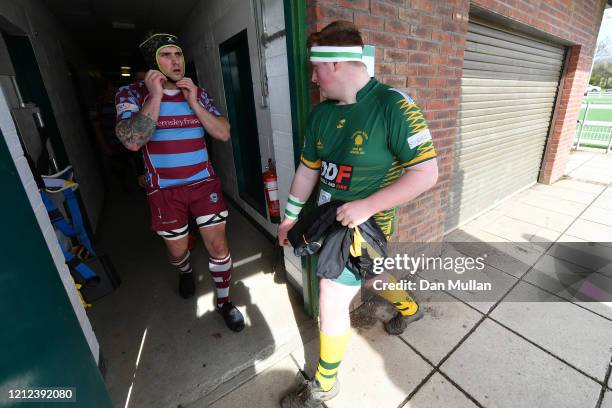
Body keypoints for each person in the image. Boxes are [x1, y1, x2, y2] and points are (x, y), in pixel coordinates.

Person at [278, 21, 439, 406]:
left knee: (332, 295)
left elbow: (426, 173)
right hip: (328, 223)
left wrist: (365, 205)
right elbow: (307, 170)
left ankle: (326, 383)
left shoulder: (393, 106)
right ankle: (410, 307)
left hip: (368, 226)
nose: (313, 78)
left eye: (315, 68)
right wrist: (289, 216)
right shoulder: (321, 116)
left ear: (334, 65)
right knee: (375, 276)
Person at [114, 32, 244, 332]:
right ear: (153, 64)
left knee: (219, 246)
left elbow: (223, 133)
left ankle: (224, 302)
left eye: (178, 55)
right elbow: (132, 141)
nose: (176, 61)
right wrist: (156, 96)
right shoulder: (130, 94)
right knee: (177, 251)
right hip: (164, 190)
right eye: (166, 55)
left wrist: (195, 103)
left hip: (203, 183)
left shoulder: (195, 91)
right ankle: (185, 271)